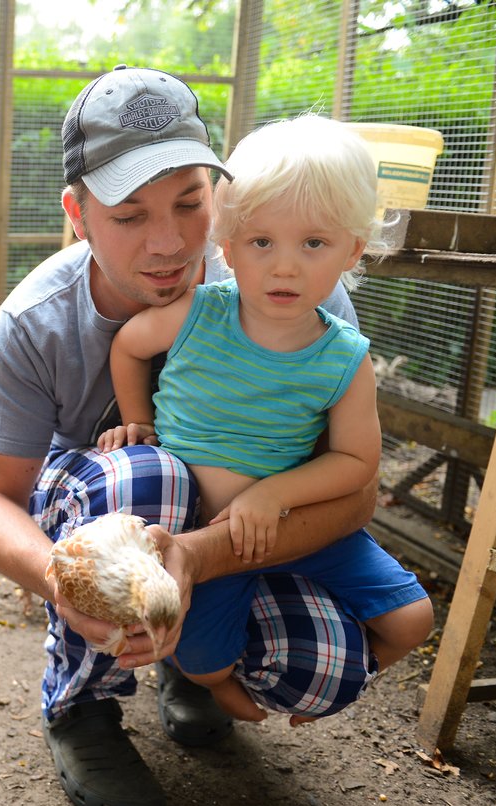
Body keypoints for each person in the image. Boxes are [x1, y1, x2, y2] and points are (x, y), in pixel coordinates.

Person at [0, 64, 384, 806]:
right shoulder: (35, 321)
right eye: (128, 215)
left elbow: (357, 489)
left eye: (190, 203)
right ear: (78, 213)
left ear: (220, 199)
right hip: (111, 504)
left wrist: (201, 561)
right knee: (153, 477)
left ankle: (192, 661)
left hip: (247, 528)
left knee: (323, 668)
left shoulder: (287, 275)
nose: (168, 243)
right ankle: (81, 704)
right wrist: (60, 582)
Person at [100, 114, 432, 723]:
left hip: (292, 525)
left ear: (354, 249)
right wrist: (138, 421)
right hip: (207, 533)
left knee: (413, 620)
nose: (285, 267)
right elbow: (129, 346)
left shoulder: (344, 358)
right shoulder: (198, 313)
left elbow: (358, 462)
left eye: (313, 243)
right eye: (262, 243)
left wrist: (274, 494)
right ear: (227, 247)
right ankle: (222, 692)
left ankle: (339, 678)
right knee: (201, 657)